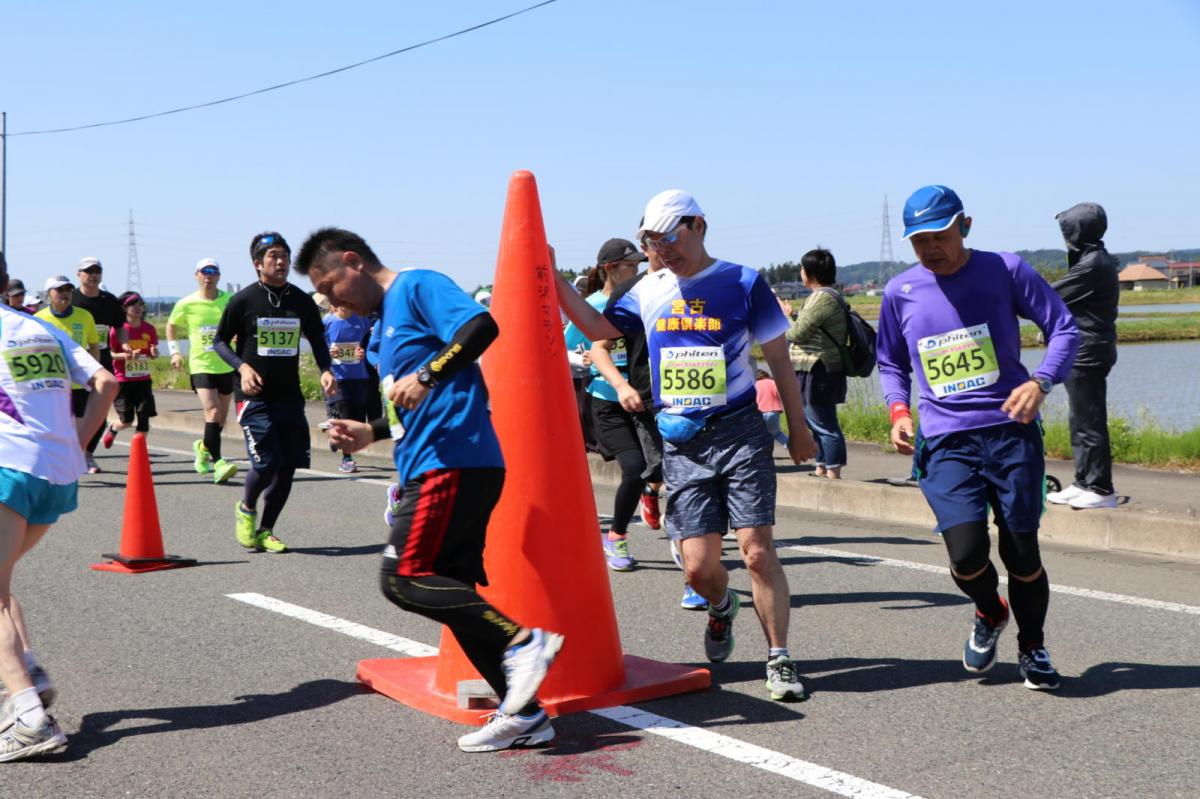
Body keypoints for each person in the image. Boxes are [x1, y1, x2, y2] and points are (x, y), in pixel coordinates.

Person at [294, 227, 565, 753]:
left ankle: (523, 641)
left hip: (453, 461)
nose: (330, 298)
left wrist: (428, 373)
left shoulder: (416, 286)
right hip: (433, 462)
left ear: (353, 262)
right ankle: (525, 713)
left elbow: (481, 326)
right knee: (452, 593)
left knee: (404, 579)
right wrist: (369, 432)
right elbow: (404, 403)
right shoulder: (379, 328)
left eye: (330, 283)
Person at [556, 189, 816, 702]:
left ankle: (779, 658)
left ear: (699, 226)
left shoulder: (743, 282)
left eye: (669, 236)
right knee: (697, 567)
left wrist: (799, 427)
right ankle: (723, 608)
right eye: (652, 240)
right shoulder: (647, 289)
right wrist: (554, 279)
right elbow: (595, 330)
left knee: (758, 552)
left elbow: (779, 360)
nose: (662, 248)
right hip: (682, 441)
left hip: (741, 430)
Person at [877, 184, 1079, 691]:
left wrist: (1041, 382)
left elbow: (1065, 329)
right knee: (966, 555)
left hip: (1011, 434)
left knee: (1022, 554)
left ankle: (1032, 648)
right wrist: (899, 411)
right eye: (918, 240)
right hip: (946, 440)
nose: (930, 249)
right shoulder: (900, 291)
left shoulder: (1006, 269)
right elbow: (890, 361)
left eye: (939, 235)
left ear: (964, 226)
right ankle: (990, 611)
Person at [0, 251, 118, 761]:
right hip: (58, 472)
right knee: (1, 582)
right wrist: (78, 444)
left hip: (8, 468)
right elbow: (108, 383)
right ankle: (29, 670)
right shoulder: (39, 329)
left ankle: (29, 716)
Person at [212, 233, 336, 554]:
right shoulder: (243, 300)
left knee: (289, 465)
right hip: (254, 396)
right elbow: (220, 342)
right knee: (267, 463)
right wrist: (242, 367)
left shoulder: (300, 300)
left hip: (289, 395)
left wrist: (325, 369)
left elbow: (318, 338)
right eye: (273, 257)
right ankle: (246, 508)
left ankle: (267, 530)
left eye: (284, 256)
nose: (281, 262)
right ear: (258, 264)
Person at [564, 239, 658, 572]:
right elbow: (563, 348)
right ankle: (616, 536)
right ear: (610, 269)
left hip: (644, 398)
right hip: (607, 399)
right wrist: (586, 358)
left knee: (657, 469)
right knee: (633, 467)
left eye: (638, 265)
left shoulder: (645, 299)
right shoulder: (593, 305)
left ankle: (653, 490)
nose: (635, 271)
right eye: (628, 266)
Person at [1046, 203, 1120, 510]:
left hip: (1089, 350)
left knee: (1089, 421)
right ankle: (1083, 482)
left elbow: (1051, 294)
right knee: (1079, 419)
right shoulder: (1093, 259)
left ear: (1079, 231)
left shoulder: (1092, 265)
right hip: (1084, 348)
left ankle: (1101, 489)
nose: (1065, 239)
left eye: (1067, 231)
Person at [166, 259, 239, 484]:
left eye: (213, 272)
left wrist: (238, 336)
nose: (208, 276)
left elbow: (241, 324)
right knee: (213, 411)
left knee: (221, 421)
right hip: (201, 364)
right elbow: (171, 326)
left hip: (226, 363)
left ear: (219, 276)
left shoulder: (230, 301)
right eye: (204, 272)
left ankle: (203, 447)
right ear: (196, 275)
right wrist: (175, 352)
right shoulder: (186, 303)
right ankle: (218, 463)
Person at [785, 248, 849, 479]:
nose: (800, 273)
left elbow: (797, 334)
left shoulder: (821, 298)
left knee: (823, 423)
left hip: (818, 368)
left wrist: (784, 317)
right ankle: (821, 467)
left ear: (810, 272)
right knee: (816, 421)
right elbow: (808, 330)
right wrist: (793, 316)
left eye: (802, 268)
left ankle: (833, 471)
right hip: (814, 367)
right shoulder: (824, 296)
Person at [35, 276, 102, 473]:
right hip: (53, 383)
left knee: (79, 427)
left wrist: (93, 371)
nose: (65, 293)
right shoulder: (40, 319)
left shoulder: (84, 316)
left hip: (79, 381)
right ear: (49, 294)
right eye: (59, 290)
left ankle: (79, 459)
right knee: (55, 427)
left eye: (68, 289)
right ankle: (54, 461)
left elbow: (94, 346)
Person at [72, 258, 127, 468]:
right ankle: (70, 451)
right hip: (76, 364)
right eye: (88, 271)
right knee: (75, 412)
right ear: (79, 274)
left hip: (102, 363)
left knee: (99, 410)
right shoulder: (73, 299)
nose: (93, 275)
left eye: (97, 271)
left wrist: (124, 344)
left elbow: (120, 326)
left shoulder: (109, 300)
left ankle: (87, 453)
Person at [321, 296, 373, 474]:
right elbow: (318, 346)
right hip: (337, 377)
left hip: (358, 376)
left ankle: (335, 435)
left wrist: (362, 351)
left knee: (357, 419)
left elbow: (369, 342)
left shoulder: (362, 321)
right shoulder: (327, 321)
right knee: (345, 415)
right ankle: (347, 459)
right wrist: (329, 351)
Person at [101, 292, 159, 447]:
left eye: (140, 304)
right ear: (124, 308)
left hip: (143, 379)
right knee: (126, 420)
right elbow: (110, 354)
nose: (138, 308)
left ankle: (139, 451)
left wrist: (154, 353)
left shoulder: (149, 329)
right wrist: (126, 356)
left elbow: (153, 353)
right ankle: (113, 429)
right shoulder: (118, 330)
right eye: (133, 305)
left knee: (144, 416)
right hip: (123, 380)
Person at [756, 368, 789, 446]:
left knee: (758, 436)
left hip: (758, 414)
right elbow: (782, 394)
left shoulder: (754, 384)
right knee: (777, 434)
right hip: (773, 413)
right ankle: (793, 448)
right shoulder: (773, 383)